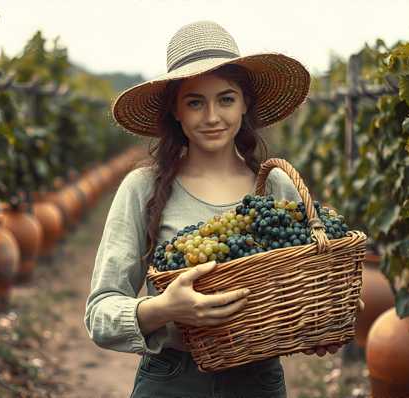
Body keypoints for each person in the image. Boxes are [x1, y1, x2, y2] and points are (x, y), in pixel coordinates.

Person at [85, 20, 344, 398]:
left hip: (258, 381)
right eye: (194, 102)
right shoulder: (142, 188)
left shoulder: (275, 186)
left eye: (226, 98)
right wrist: (164, 309)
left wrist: (321, 319)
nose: (211, 117)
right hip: (172, 380)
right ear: (175, 110)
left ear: (245, 104)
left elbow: (303, 284)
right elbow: (100, 314)